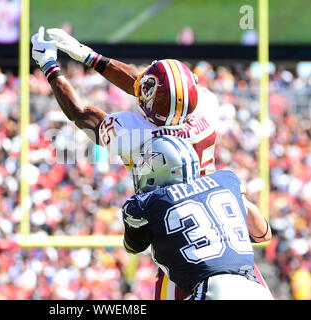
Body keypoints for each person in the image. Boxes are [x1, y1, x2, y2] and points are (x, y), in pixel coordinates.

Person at [31, 26, 270, 299]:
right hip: (231, 246)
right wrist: (87, 56)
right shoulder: (205, 108)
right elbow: (145, 87)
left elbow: (82, 113)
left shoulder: (136, 134)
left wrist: (50, 66)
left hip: (182, 256)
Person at [122, 135, 273, 300]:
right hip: (256, 290)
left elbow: (133, 247)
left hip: (213, 291)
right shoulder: (226, 180)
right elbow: (263, 234)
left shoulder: (145, 204)